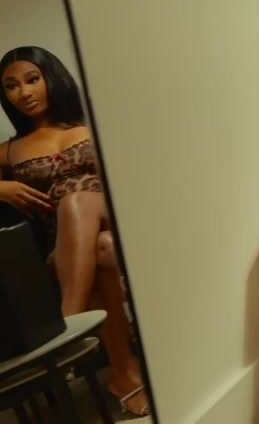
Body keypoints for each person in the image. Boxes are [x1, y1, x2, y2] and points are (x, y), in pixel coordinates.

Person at [0, 46, 151, 416]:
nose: (24, 92)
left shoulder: (95, 125)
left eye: (32, 79)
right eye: (11, 86)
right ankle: (123, 376)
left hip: (121, 228)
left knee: (78, 203)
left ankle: (66, 327)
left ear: (52, 78)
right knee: (100, 249)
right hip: (65, 252)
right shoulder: (10, 149)